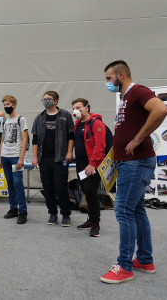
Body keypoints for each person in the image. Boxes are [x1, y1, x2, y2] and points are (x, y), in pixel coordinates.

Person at [100, 60, 167, 284]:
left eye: (109, 78)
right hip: (127, 162)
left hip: (136, 162)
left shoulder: (138, 91)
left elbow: (161, 109)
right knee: (137, 211)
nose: (107, 83)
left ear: (121, 75)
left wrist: (138, 139)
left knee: (123, 211)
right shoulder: (125, 98)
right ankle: (145, 260)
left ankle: (125, 266)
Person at [32, 91, 74, 227]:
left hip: (60, 158)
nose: (45, 101)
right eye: (44, 99)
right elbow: (35, 140)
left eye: (48, 99)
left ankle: (66, 214)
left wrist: (69, 152)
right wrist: (34, 157)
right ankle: (52, 213)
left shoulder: (65, 115)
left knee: (61, 187)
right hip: (44, 159)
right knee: (48, 187)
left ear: (55, 101)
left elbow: (71, 136)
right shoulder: (39, 118)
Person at [71, 98, 106, 237]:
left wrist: (92, 164)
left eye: (78, 107)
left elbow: (99, 145)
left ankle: (96, 223)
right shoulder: (78, 123)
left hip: (92, 164)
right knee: (85, 191)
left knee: (91, 191)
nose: (75, 110)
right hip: (80, 163)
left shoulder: (96, 123)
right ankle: (91, 220)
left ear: (86, 108)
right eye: (73, 107)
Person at [0, 95, 28, 224]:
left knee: (17, 183)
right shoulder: (4, 121)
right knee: (10, 184)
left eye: (8, 104)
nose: (6, 107)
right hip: (5, 156)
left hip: (15, 157)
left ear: (14, 105)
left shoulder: (21, 119)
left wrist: (21, 158)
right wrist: (0, 158)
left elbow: (25, 139)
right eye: (4, 105)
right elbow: (2, 140)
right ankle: (13, 208)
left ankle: (23, 211)